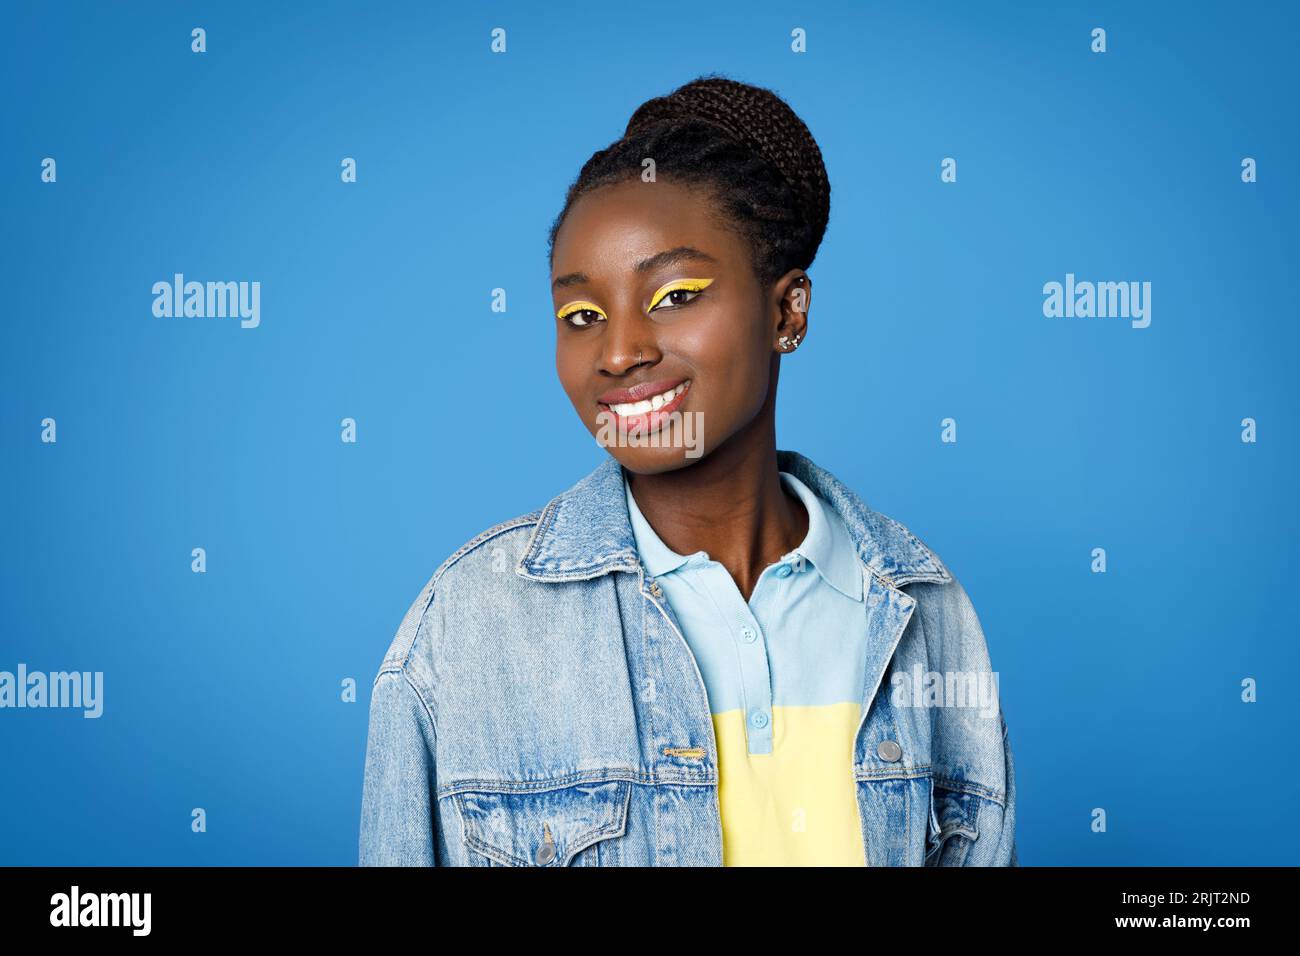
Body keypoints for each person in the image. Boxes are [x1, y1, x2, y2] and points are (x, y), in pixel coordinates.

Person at [360, 74, 1016, 867]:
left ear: (787, 311)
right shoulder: (465, 631)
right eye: (582, 315)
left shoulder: (925, 614)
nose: (619, 350)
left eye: (673, 295)